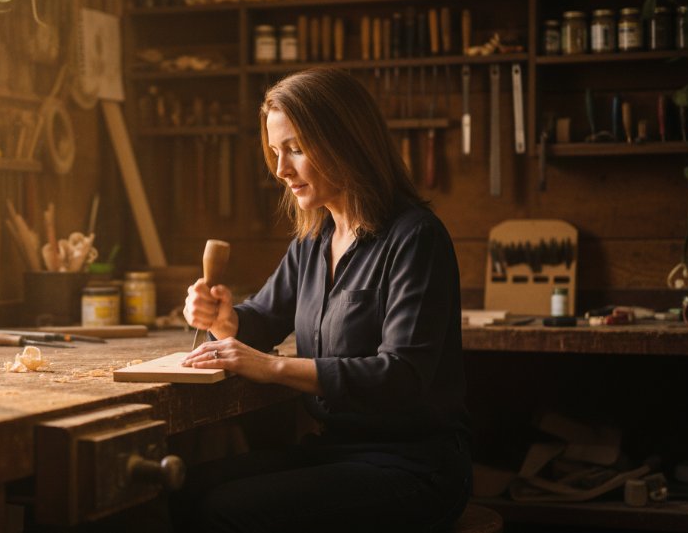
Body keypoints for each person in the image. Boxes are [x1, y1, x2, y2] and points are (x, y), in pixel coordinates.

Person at [173, 68, 471, 533]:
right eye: (275, 152)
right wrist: (225, 319)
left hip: (414, 467)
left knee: (225, 509)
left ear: (346, 142)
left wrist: (272, 367)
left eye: (295, 149)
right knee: (182, 491)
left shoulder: (415, 237)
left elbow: (402, 376)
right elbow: (262, 319)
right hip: (334, 451)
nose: (280, 169)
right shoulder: (313, 242)